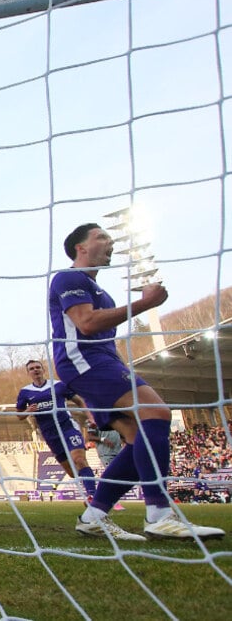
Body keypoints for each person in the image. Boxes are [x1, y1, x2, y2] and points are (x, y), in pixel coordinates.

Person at [50, 223, 224, 541]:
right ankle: (159, 514)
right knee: (156, 413)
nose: (110, 242)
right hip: (84, 363)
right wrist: (145, 304)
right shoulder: (69, 277)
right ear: (80, 247)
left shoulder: (102, 291)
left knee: (135, 437)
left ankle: (94, 516)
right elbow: (86, 324)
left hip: (100, 364)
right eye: (101, 236)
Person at [16, 359, 97, 500]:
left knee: (79, 459)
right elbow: (19, 416)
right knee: (72, 472)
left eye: (37, 367)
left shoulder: (58, 385)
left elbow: (79, 400)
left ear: (43, 369)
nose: (35, 370)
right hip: (50, 434)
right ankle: (91, 486)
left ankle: (93, 496)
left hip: (67, 427)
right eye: (31, 368)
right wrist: (28, 410)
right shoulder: (25, 392)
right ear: (28, 373)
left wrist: (90, 417)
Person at [85, 420, 126, 511]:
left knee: (117, 477)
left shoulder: (113, 416)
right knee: (112, 477)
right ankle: (113, 502)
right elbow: (89, 436)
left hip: (118, 451)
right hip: (106, 453)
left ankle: (97, 498)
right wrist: (103, 439)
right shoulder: (94, 418)